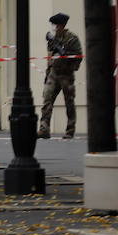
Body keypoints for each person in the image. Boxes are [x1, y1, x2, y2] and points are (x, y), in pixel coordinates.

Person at [39, 12, 83, 140]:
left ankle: (70, 130)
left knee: (69, 102)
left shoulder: (72, 39)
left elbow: (78, 56)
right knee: (47, 99)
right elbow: (50, 56)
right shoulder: (53, 39)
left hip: (66, 74)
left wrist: (69, 62)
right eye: (54, 25)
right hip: (53, 73)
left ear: (62, 25)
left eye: (56, 25)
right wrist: (47, 74)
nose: (54, 28)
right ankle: (44, 129)